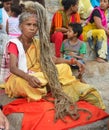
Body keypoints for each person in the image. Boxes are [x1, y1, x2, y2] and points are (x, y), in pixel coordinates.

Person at [0, 1, 105, 121]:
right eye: (28, 24)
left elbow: (51, 59)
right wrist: (28, 77)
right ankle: (46, 85)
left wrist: (72, 62)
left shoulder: (38, 43)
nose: (32, 28)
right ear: (20, 26)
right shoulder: (14, 44)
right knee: (26, 84)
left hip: (38, 74)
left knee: (64, 68)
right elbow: (13, 68)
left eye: (35, 25)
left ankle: (46, 85)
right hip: (19, 77)